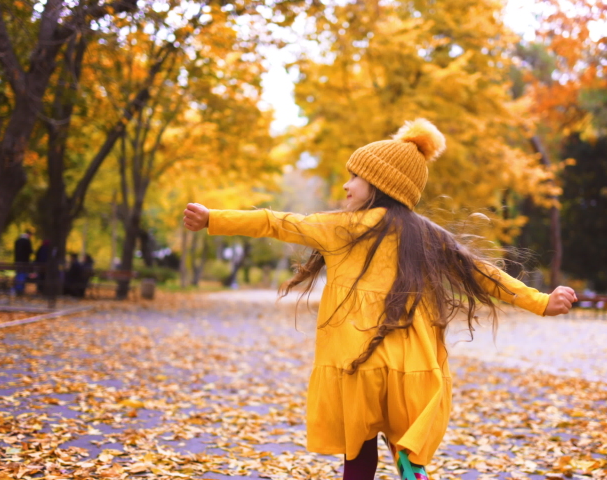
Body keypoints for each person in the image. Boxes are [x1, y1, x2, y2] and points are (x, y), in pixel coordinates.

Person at [183, 119, 578, 480]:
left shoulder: (339, 228)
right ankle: (410, 463)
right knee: (403, 436)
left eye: (354, 177)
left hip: (357, 363)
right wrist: (540, 301)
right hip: (412, 366)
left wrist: (213, 218)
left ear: (379, 185)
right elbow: (481, 273)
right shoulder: (428, 235)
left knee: (359, 451)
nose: (346, 186)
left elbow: (274, 221)